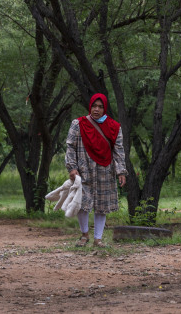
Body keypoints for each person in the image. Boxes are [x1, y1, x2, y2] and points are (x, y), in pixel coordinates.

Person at [66, 93, 127, 248]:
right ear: (90, 106)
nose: (97, 109)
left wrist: (121, 171)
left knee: (102, 205)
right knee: (82, 203)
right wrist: (72, 167)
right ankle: (84, 234)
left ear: (104, 108)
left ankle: (98, 239)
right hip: (83, 170)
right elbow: (70, 147)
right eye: (94, 106)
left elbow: (119, 150)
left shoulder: (114, 127)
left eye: (100, 106)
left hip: (105, 171)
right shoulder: (78, 124)